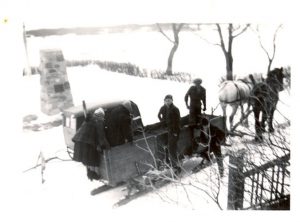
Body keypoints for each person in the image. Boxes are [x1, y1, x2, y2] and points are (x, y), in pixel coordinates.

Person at [72, 107, 110, 180]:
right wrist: (106, 146)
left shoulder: (90, 119)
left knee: (87, 159)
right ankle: (95, 175)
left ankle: (90, 174)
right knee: (93, 158)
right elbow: (101, 135)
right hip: (87, 142)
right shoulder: (98, 121)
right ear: (101, 115)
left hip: (80, 141)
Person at [184, 78, 207, 154]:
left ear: (200, 83)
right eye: (196, 83)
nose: (197, 84)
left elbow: (204, 98)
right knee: (192, 124)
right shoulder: (191, 88)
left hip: (198, 107)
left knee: (198, 123)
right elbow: (186, 96)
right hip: (192, 107)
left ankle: (199, 142)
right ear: (194, 83)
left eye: (198, 83)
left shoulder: (203, 89)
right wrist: (187, 104)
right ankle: (193, 144)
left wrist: (204, 106)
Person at [164, 94, 181, 172]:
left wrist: (175, 132)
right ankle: (173, 163)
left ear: (172, 101)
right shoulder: (168, 109)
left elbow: (177, 121)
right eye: (166, 101)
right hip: (170, 131)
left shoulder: (174, 109)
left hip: (174, 132)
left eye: (169, 100)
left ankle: (176, 166)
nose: (167, 102)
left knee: (172, 149)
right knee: (169, 147)